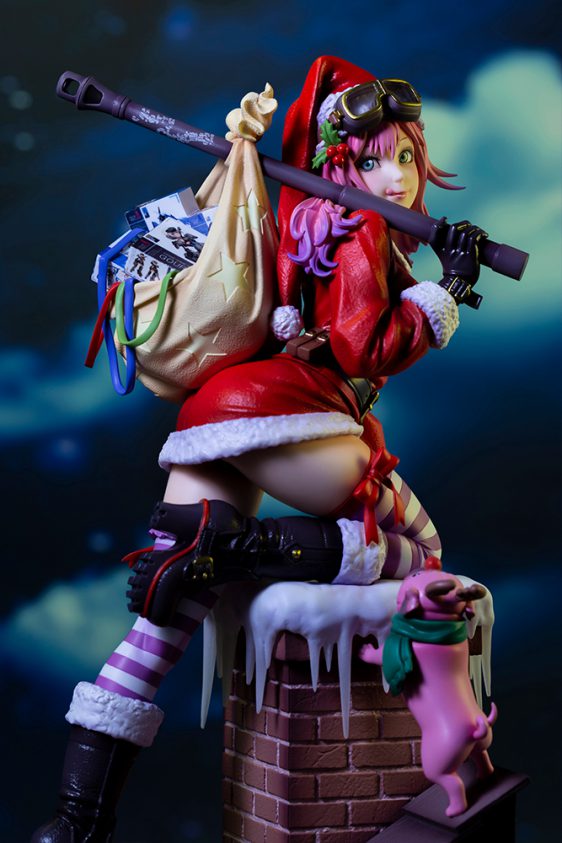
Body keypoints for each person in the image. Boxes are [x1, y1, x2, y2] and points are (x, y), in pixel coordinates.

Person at [32, 56, 485, 843]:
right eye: (373, 161)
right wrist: (447, 288)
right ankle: (239, 546)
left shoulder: (307, 217)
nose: (397, 178)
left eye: (406, 158)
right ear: (338, 164)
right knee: (420, 551)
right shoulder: (360, 228)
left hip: (215, 417)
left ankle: (75, 822)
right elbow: (366, 345)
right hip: (289, 418)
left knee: (162, 625)